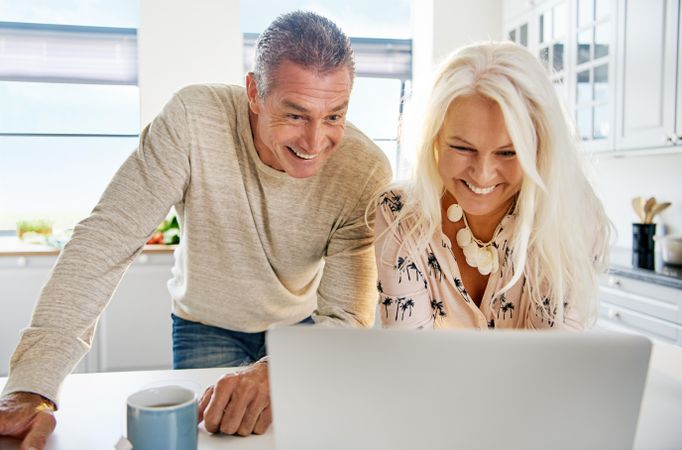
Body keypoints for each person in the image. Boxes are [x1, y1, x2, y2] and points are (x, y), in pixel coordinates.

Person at [0, 11, 392, 449]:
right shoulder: (193, 119)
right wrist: (31, 385)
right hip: (204, 324)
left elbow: (347, 318)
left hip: (300, 329)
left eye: (334, 116)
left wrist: (281, 367)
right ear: (255, 93)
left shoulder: (364, 170)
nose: (315, 142)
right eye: (296, 115)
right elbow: (106, 239)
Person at [374, 41, 610, 331]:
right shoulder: (399, 212)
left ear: (541, 150)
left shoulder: (572, 215)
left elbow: (551, 360)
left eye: (508, 152)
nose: (482, 174)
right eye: (462, 148)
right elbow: (408, 352)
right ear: (434, 140)